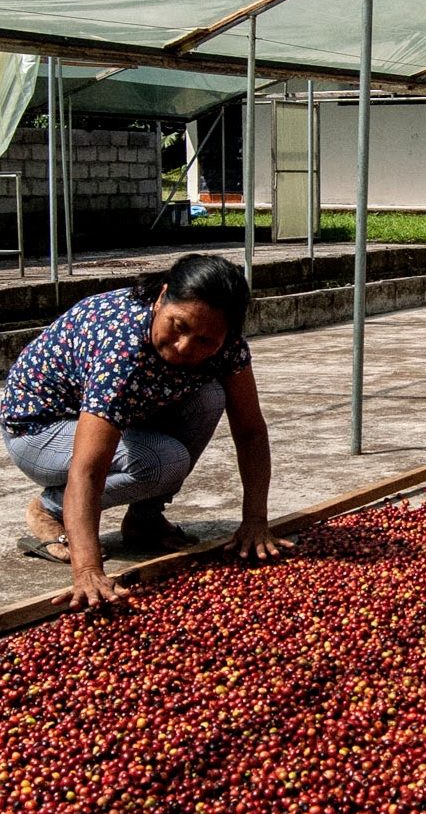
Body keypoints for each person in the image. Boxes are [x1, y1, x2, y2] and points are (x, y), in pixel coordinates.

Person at [1, 252, 291, 610]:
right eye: (179, 326)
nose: (185, 347)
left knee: (209, 395)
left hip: (122, 411)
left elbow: (250, 431)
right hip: (39, 428)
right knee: (160, 461)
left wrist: (256, 521)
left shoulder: (226, 345)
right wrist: (88, 570)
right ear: (161, 298)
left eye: (205, 341)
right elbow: (89, 467)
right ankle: (50, 509)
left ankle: (144, 520)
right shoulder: (121, 349)